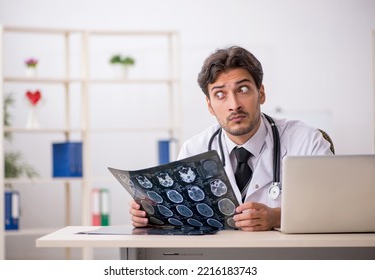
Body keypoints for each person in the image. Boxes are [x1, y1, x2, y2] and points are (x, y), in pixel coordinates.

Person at [130, 46, 333, 231]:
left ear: (261, 93)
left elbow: (336, 206)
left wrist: (277, 217)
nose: (234, 104)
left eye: (242, 89)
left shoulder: (306, 141)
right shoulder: (194, 150)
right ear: (209, 105)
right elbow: (180, 218)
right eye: (220, 94)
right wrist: (151, 216)